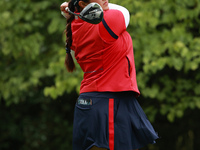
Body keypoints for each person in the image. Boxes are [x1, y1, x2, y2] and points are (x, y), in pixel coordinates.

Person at [60, 0, 159, 150]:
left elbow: (84, 14)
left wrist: (73, 8)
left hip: (91, 102)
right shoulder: (109, 20)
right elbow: (124, 11)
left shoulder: (75, 26)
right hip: (108, 102)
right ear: (83, 3)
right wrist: (72, 7)